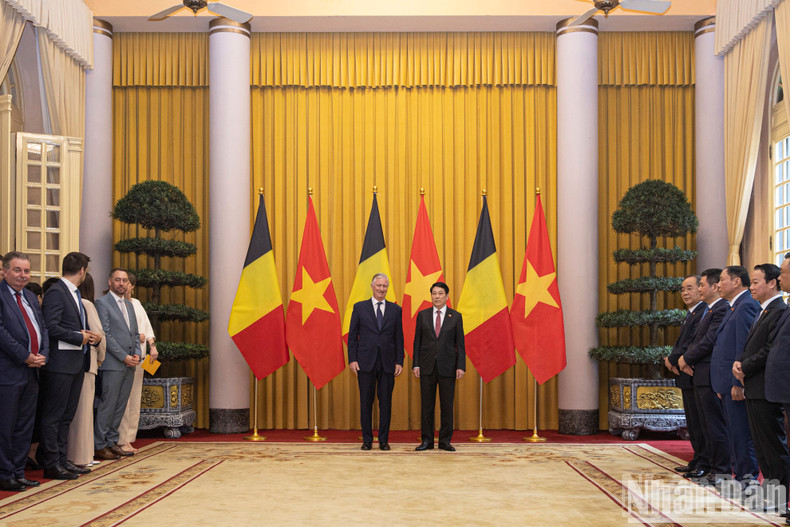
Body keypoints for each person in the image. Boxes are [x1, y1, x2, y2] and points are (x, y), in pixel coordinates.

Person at [733, 263, 789, 510]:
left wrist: (745, 366)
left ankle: (780, 498)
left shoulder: (778, 309)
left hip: (767, 385)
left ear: (772, 283)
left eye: (756, 282)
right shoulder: (762, 310)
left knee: (773, 446)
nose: (752, 286)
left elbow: (769, 349)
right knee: (762, 445)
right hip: (756, 385)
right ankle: (770, 494)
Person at [39, 252, 100, 480]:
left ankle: (64, 460)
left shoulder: (73, 293)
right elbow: (50, 326)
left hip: (74, 363)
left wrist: (85, 336)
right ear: (83, 270)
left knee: (66, 416)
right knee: (54, 416)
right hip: (60, 364)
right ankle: (52, 463)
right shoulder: (57, 292)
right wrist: (79, 336)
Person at [0, 251, 47, 491]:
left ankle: (18, 472)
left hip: (32, 372)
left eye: (27, 271)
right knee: (6, 426)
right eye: (17, 270)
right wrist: (25, 356)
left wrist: (42, 354)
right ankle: (5, 473)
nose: (23, 275)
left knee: (25, 426)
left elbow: (42, 328)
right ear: (5, 271)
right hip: (9, 373)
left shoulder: (29, 295)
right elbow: (2, 334)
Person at [678, 268, 730, 485]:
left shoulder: (720, 309)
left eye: (700, 285)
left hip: (708, 374)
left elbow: (707, 342)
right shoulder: (708, 310)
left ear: (714, 286)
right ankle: (704, 463)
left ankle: (716, 469)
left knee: (712, 426)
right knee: (700, 424)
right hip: (697, 373)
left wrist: (685, 359)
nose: (697, 290)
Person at [709, 265, 760, 484]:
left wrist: (736, 382)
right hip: (724, 383)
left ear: (736, 281)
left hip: (735, 383)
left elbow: (743, 347)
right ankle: (739, 475)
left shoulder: (746, 305)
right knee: (733, 432)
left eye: (721, 279)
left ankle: (746, 478)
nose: (718, 284)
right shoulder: (734, 306)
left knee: (741, 433)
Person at [347, 273, 404, 451]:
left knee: (385, 402)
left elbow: (399, 337)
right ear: (372, 286)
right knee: (366, 402)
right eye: (378, 285)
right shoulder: (359, 308)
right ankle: (367, 440)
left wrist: (399, 361)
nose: (381, 289)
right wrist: (352, 359)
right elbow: (352, 337)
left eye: (384, 286)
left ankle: (384, 440)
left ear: (388, 288)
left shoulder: (396, 310)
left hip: (388, 363)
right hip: (365, 362)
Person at [413, 281, 465, 452]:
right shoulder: (422, 315)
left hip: (448, 367)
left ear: (447, 296)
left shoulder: (455, 316)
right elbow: (417, 342)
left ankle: (445, 441)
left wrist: (461, 366)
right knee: (426, 406)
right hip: (426, 366)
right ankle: (426, 440)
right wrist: (416, 364)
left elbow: (460, 344)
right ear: (431, 296)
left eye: (440, 293)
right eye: (434, 293)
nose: (437, 296)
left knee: (447, 406)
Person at [94, 268, 140, 460]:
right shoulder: (102, 303)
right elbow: (106, 334)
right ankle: (100, 444)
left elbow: (135, 334)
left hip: (130, 364)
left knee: (120, 405)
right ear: (109, 282)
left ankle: (112, 442)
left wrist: (136, 354)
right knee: (108, 405)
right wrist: (123, 356)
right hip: (113, 363)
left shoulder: (129, 305)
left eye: (124, 280)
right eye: (118, 280)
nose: (121, 283)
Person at [665, 275, 708, 479]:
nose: (685, 293)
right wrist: (673, 359)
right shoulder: (691, 313)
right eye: (682, 289)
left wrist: (674, 359)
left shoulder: (703, 312)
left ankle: (703, 461)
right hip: (686, 374)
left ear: (701, 289)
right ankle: (697, 458)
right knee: (692, 422)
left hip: (694, 373)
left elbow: (692, 342)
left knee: (700, 423)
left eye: (690, 288)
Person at [67, 273, 105, 468]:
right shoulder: (87, 304)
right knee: (83, 414)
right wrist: (100, 358)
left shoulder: (70, 302)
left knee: (72, 414)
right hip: (87, 363)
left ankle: (73, 455)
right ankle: (82, 456)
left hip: (69, 363)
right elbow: (100, 336)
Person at [117, 272, 157, 454]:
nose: (125, 286)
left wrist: (152, 346)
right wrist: (135, 336)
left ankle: (130, 438)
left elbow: (147, 327)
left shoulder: (137, 304)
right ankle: (121, 439)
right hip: (125, 357)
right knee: (123, 401)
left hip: (141, 357)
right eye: (121, 281)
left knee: (135, 400)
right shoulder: (115, 305)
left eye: (128, 283)